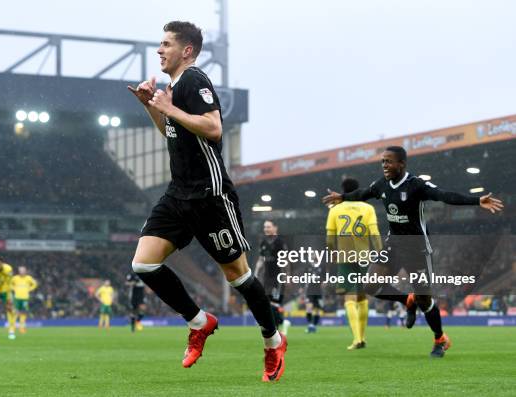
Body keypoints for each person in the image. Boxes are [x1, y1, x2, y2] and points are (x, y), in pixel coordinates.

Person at [127, 21, 286, 381]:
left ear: (186, 51)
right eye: (160, 43)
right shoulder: (172, 89)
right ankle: (200, 322)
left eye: (166, 44)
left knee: (238, 277)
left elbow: (214, 128)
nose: (159, 50)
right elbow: (172, 131)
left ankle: (273, 341)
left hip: (210, 196)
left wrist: (170, 108)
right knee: (144, 264)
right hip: (178, 194)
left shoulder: (195, 79)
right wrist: (152, 107)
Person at [323, 146, 504, 357]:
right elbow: (363, 193)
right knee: (370, 284)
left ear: (401, 164)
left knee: (424, 300)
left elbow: (444, 195)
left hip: (417, 249)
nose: (384, 165)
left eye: (388, 161)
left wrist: (476, 200)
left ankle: (440, 339)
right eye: (382, 161)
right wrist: (343, 197)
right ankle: (405, 300)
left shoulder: (416, 185)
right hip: (394, 245)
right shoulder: (382, 185)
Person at [326, 177, 382, 350]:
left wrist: (332, 252)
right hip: (364, 256)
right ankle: (362, 337)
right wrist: (380, 253)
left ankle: (357, 339)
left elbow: (330, 237)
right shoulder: (368, 208)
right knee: (363, 297)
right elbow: (374, 233)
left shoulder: (335, 209)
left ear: (342, 191)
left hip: (345, 257)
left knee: (349, 298)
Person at [254, 220, 290, 335]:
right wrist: (255, 274)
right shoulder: (263, 242)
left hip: (278, 277)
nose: (266, 229)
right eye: (265, 227)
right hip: (266, 278)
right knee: (267, 303)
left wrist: (287, 276)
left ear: (275, 228)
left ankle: (277, 328)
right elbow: (260, 260)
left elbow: (286, 261)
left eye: (268, 227)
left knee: (274, 303)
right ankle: (280, 325)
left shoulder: (280, 242)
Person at [10, 266, 38, 334]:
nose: (22, 271)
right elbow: (10, 284)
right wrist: (14, 289)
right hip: (17, 298)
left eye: (23, 270)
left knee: (24, 312)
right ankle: (12, 328)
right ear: (18, 271)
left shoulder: (29, 278)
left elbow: (35, 284)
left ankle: (21, 328)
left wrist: (30, 289)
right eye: (20, 270)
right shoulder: (15, 278)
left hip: (25, 298)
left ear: (25, 271)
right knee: (15, 312)